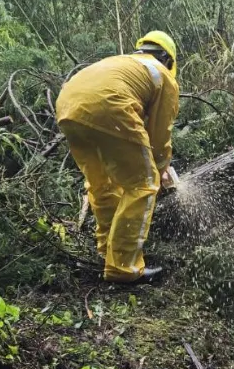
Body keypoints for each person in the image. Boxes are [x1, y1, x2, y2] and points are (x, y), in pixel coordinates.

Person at [56, 32, 180, 284]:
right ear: (168, 59)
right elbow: (160, 135)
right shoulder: (163, 75)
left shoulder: (122, 63)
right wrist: (160, 169)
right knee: (143, 184)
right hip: (108, 106)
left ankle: (107, 252)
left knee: (101, 184)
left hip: (68, 107)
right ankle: (124, 267)